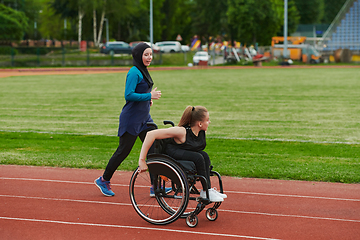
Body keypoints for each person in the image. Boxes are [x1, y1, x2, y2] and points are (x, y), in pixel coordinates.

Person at [95, 42, 162, 197]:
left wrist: (147, 100)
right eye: (146, 54)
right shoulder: (134, 72)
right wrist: (149, 96)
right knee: (123, 151)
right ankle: (104, 180)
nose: (149, 57)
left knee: (154, 147)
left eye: (150, 54)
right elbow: (128, 94)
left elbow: (141, 90)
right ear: (138, 55)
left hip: (145, 119)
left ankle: (155, 186)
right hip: (132, 119)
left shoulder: (143, 71)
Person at [138, 106, 227, 202]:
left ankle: (207, 190)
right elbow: (150, 134)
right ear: (200, 123)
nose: (209, 122)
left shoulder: (200, 132)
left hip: (183, 152)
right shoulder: (182, 131)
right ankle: (206, 191)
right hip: (172, 152)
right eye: (207, 120)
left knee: (204, 155)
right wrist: (142, 160)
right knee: (198, 157)